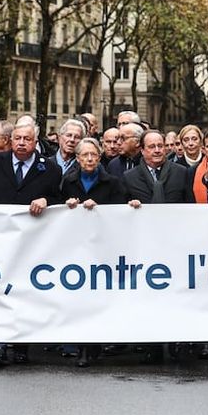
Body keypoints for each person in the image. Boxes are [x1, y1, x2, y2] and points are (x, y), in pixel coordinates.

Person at [0, 123, 62, 367]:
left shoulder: (49, 168)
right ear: (10, 140)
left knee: (25, 292)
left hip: (33, 242)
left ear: (35, 142)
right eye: (18, 138)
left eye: (27, 139)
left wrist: (46, 200)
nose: (22, 143)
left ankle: (22, 345)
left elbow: (59, 198)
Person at [125, 130, 190, 364]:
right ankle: (151, 343)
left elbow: (190, 207)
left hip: (174, 246)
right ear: (142, 150)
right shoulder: (130, 178)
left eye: (160, 145)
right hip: (144, 247)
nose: (157, 150)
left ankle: (176, 342)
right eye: (151, 146)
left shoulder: (182, 173)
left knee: (175, 296)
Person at [60, 138, 126, 367]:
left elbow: (121, 209)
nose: (89, 159)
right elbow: (56, 211)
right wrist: (66, 205)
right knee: (81, 298)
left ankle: (96, 344)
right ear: (77, 159)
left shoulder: (114, 182)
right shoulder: (67, 181)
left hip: (103, 246)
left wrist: (98, 207)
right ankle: (83, 348)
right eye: (84, 155)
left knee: (100, 297)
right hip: (77, 247)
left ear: (100, 158)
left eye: (93, 155)